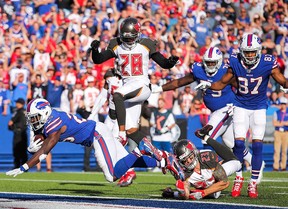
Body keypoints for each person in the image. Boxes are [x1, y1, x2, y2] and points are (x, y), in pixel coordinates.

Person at [194, 33, 288, 198]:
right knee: (238, 145)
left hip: (259, 106)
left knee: (257, 145)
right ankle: (239, 178)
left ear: (258, 51)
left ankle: (252, 183)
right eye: (247, 52)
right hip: (240, 105)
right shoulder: (235, 61)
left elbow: (282, 80)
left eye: (253, 52)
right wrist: (209, 84)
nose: (250, 55)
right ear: (242, 51)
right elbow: (223, 82)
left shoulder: (268, 62)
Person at [6, 98, 184, 183]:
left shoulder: (54, 123)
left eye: (35, 117)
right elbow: (41, 139)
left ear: (44, 113)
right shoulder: (49, 120)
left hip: (97, 135)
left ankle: (141, 148)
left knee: (112, 175)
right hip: (98, 132)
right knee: (124, 163)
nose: (33, 121)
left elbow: (46, 149)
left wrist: (25, 166)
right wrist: (35, 143)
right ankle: (165, 161)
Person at [152, 46, 253, 183]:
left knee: (207, 137)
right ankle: (253, 164)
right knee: (232, 144)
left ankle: (206, 172)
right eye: (208, 62)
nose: (210, 65)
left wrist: (240, 105)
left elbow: (243, 87)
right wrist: (159, 88)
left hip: (227, 109)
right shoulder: (199, 70)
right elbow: (179, 82)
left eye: (213, 62)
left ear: (219, 62)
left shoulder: (226, 71)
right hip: (216, 111)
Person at [89, 17, 179, 146]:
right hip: (129, 89)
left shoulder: (146, 44)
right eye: (126, 38)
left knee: (117, 95)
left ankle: (121, 134)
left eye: (131, 38)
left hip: (141, 85)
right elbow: (98, 60)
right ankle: (156, 152)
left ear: (138, 34)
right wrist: (94, 50)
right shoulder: (116, 44)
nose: (128, 41)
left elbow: (163, 63)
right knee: (131, 130)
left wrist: (170, 63)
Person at [162, 125, 241, 200]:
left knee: (236, 162)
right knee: (213, 194)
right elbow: (186, 195)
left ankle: (205, 137)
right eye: (185, 160)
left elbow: (224, 182)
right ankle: (171, 193)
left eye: (190, 157)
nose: (189, 161)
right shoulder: (183, 172)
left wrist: (203, 193)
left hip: (215, 172)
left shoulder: (206, 157)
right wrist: (178, 192)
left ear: (194, 153)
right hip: (209, 183)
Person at [8, 98, 28, 169]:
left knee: (19, 150)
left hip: (19, 133)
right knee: (21, 150)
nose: (16, 104)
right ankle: (22, 166)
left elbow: (13, 123)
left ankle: (19, 166)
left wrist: (13, 125)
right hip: (21, 133)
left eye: (18, 103)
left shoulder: (20, 112)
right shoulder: (22, 111)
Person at [272, 96, 288, 171]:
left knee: (284, 150)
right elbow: (274, 123)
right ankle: (276, 166)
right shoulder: (276, 112)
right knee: (277, 150)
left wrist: (281, 123)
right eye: (281, 104)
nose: (283, 105)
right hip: (278, 132)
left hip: (285, 133)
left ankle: (283, 166)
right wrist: (284, 123)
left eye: (284, 104)